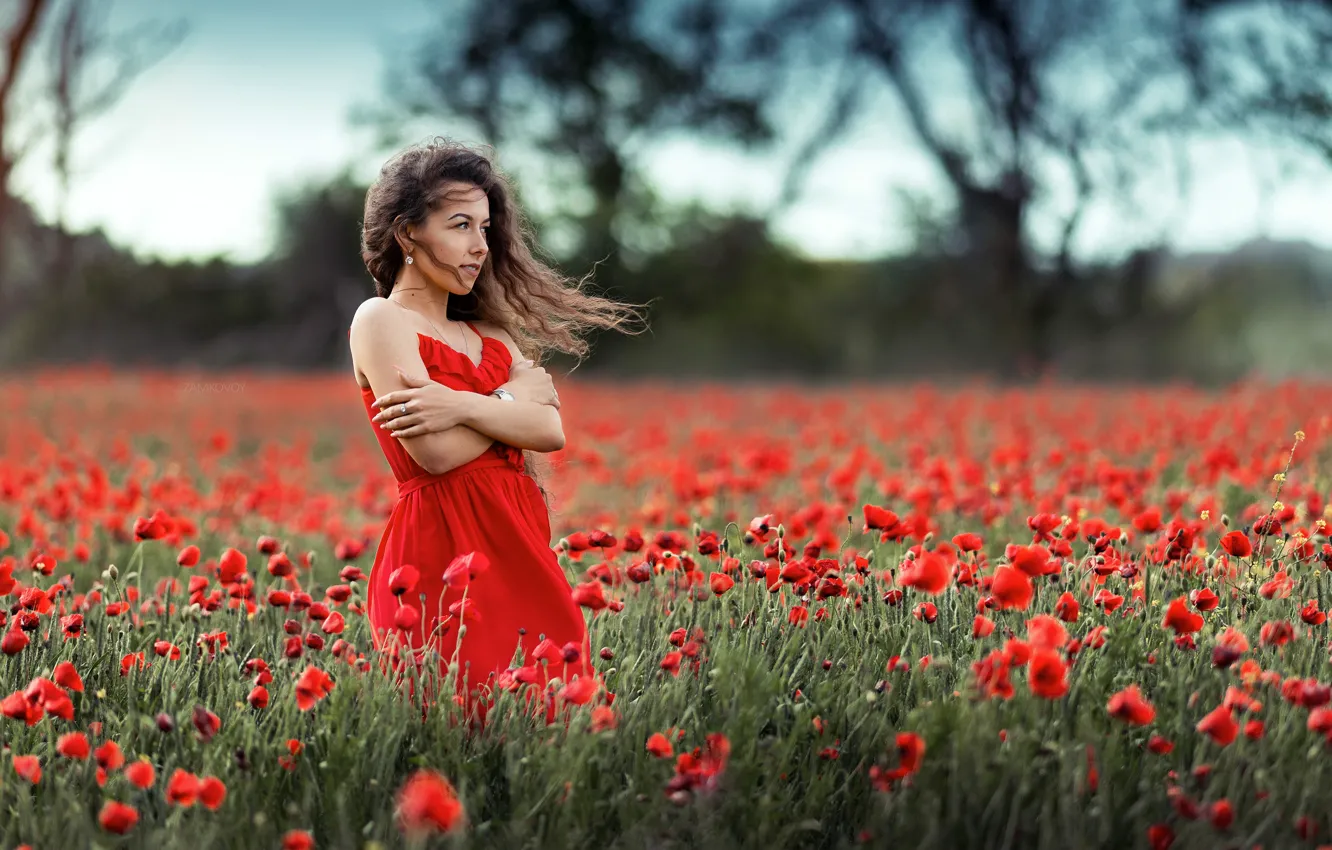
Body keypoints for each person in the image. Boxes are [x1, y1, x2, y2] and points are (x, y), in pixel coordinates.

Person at [348, 137, 644, 725]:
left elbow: (548, 429)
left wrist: (460, 402)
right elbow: (436, 454)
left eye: (486, 227)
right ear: (408, 234)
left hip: (521, 548)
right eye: (460, 225)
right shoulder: (380, 319)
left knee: (555, 724)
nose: (480, 246)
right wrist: (505, 406)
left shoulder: (494, 336)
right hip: (439, 558)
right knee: (464, 731)